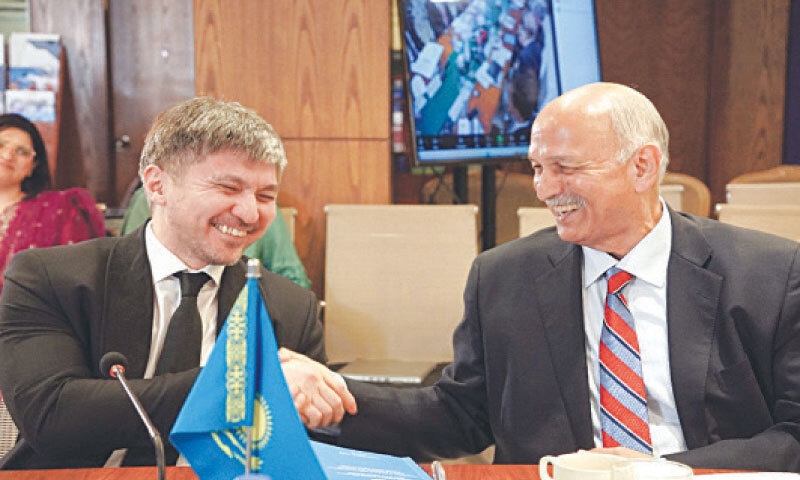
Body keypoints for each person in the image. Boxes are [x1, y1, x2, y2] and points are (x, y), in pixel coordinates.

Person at [282, 82, 800, 472]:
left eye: (566, 168)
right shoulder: (503, 276)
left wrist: (660, 475)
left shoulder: (768, 275)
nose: (545, 189)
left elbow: (794, 431)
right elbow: (460, 415)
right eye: (536, 168)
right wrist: (331, 400)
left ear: (643, 167)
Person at [0, 97, 354, 470]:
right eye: (228, 188)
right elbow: (54, 416)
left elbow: (308, 437)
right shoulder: (51, 278)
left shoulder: (288, 307)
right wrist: (245, 384)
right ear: (157, 185)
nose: (251, 213)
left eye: (266, 195)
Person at [120, 185, 312, 289]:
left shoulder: (258, 211)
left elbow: (294, 281)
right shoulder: (148, 201)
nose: (247, 214)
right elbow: (127, 271)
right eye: (224, 187)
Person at [0, 113, 105, 293]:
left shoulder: (61, 209)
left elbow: (75, 282)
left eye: (22, 151)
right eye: (1, 144)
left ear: (33, 166)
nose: (8, 155)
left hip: (27, 317)